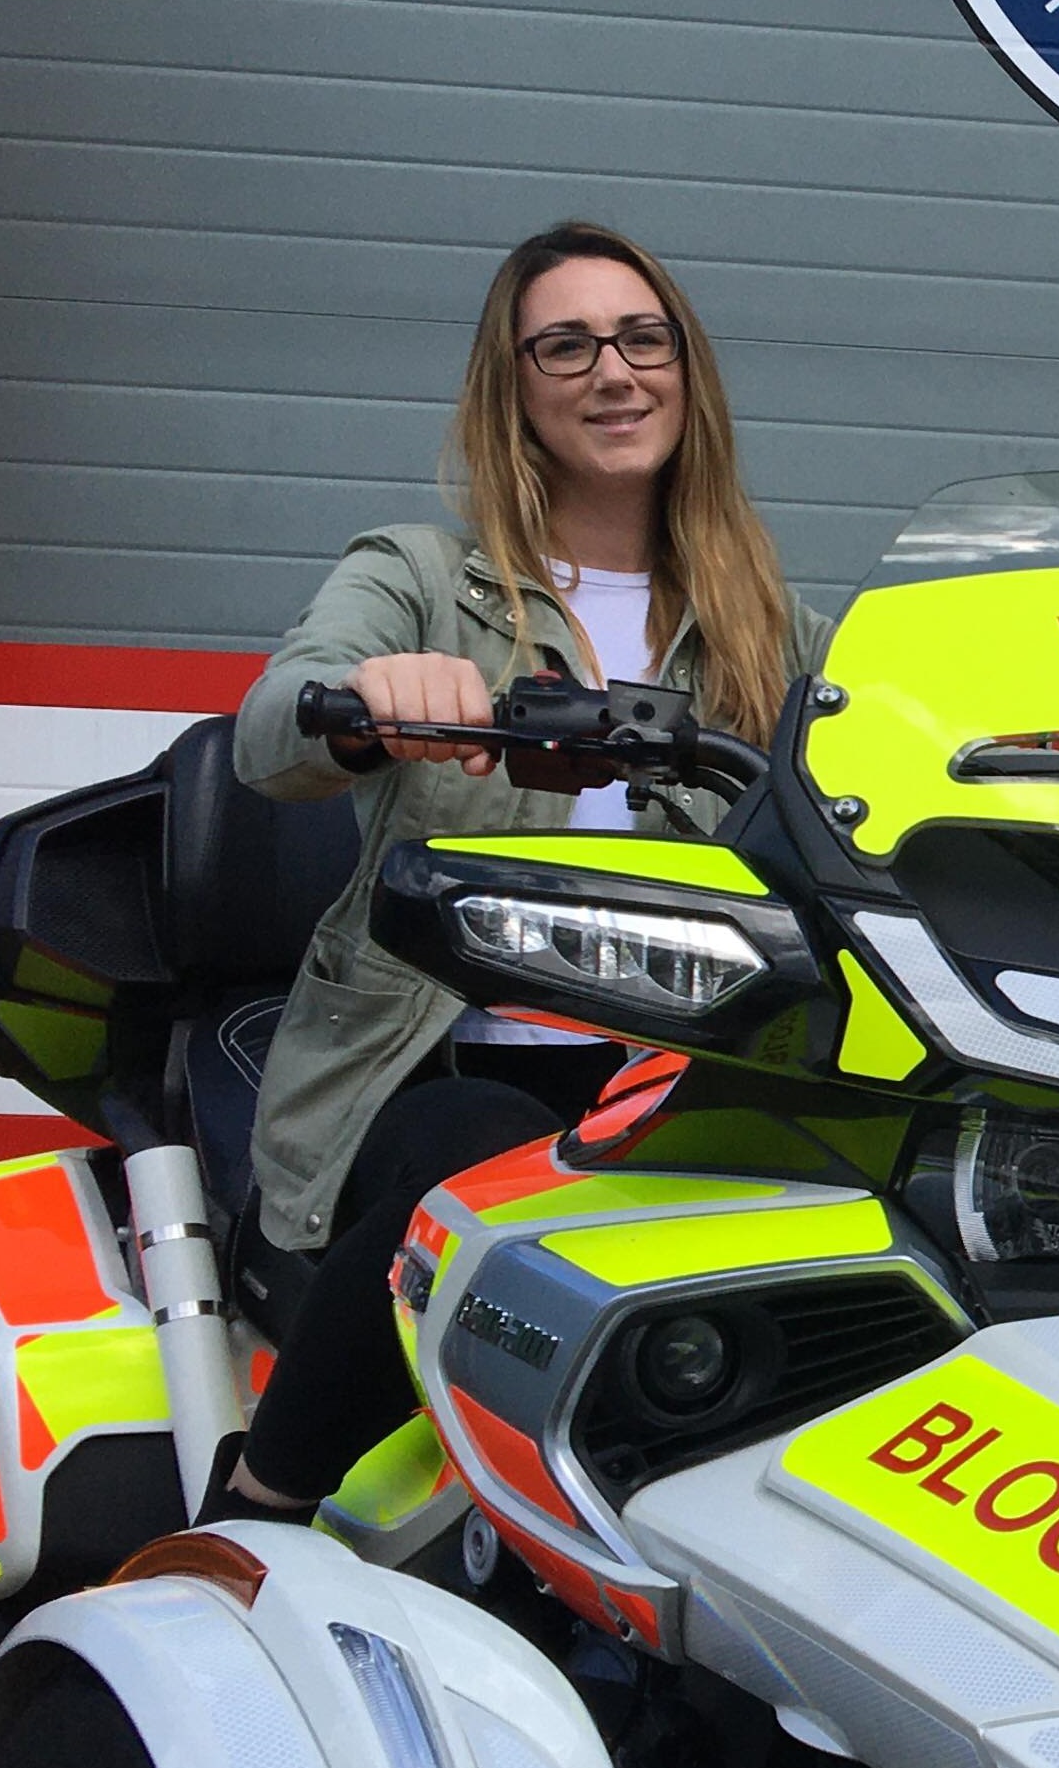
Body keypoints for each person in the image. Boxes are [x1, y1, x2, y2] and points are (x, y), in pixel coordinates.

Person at [214, 220, 829, 1514]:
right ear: (518, 388)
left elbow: (916, 755)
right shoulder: (425, 577)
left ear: (685, 368)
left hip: (671, 1080)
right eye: (568, 344)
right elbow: (271, 732)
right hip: (431, 1065)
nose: (613, 371)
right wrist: (368, 691)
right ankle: (255, 1505)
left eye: (640, 337)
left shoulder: (767, 626)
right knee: (490, 1164)